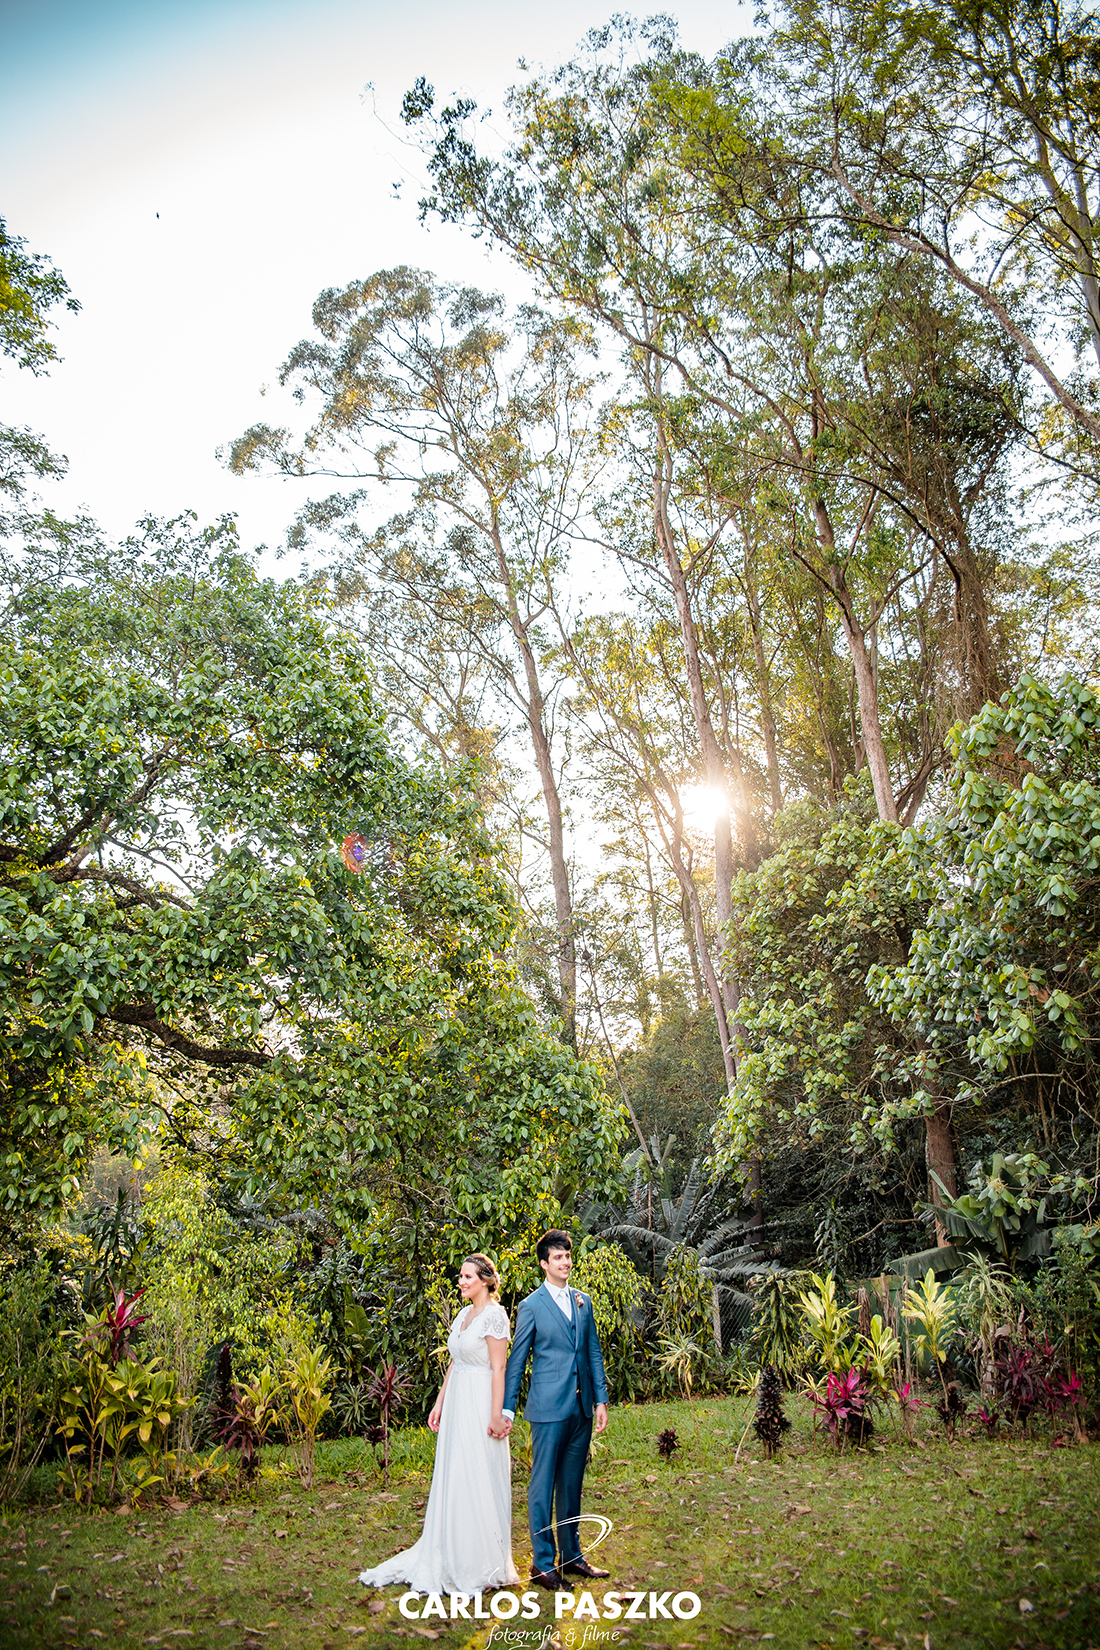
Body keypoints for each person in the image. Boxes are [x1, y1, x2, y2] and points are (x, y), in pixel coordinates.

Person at [358, 1253, 519, 1595]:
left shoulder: (495, 1317)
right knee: (455, 1473)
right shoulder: (463, 1314)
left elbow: (499, 1369)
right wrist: (439, 1402)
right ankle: (449, 1548)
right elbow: (455, 1361)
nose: (461, 1282)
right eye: (460, 1276)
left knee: (477, 1472)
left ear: (486, 1281)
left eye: (468, 1277)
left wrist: (496, 1414)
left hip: (480, 1402)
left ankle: (480, 1559)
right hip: (458, 1401)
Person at [500, 1229, 610, 1589]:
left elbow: (592, 1351)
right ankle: (543, 1564)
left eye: (567, 1256)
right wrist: (508, 1409)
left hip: (581, 1409)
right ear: (545, 1264)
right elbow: (517, 1362)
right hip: (547, 1410)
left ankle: (573, 1556)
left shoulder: (584, 1301)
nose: (565, 1262)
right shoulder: (531, 1306)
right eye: (558, 1257)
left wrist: (601, 1399)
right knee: (542, 1486)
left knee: (571, 1485)